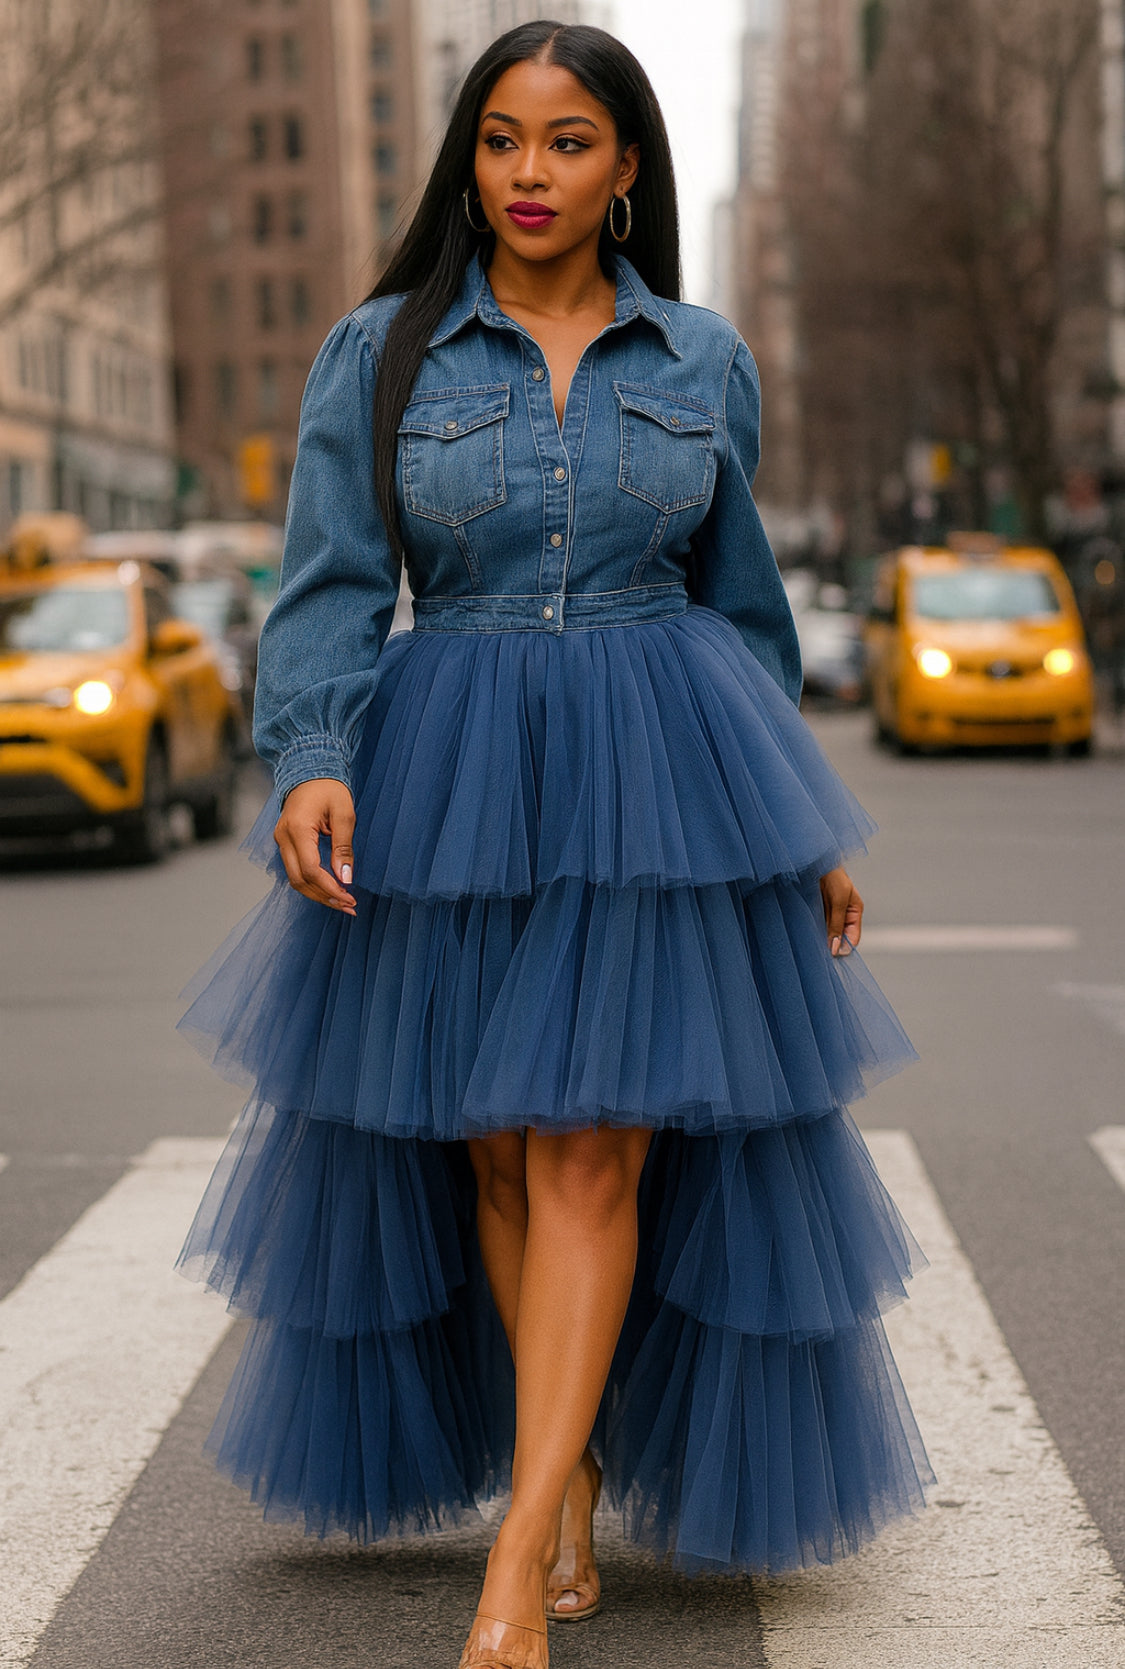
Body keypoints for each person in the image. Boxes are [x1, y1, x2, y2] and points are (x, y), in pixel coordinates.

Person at [176, 21, 932, 1669]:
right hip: (446, 763)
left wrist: (797, 823)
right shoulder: (378, 350)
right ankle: (565, 1461)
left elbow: (742, 615)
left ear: (625, 167)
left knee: (594, 1147)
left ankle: (519, 1551)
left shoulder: (702, 358)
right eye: (504, 140)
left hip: (661, 773)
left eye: (569, 140)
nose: (531, 173)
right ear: (470, 159)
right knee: (501, 1153)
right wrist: (310, 757)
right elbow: (322, 584)